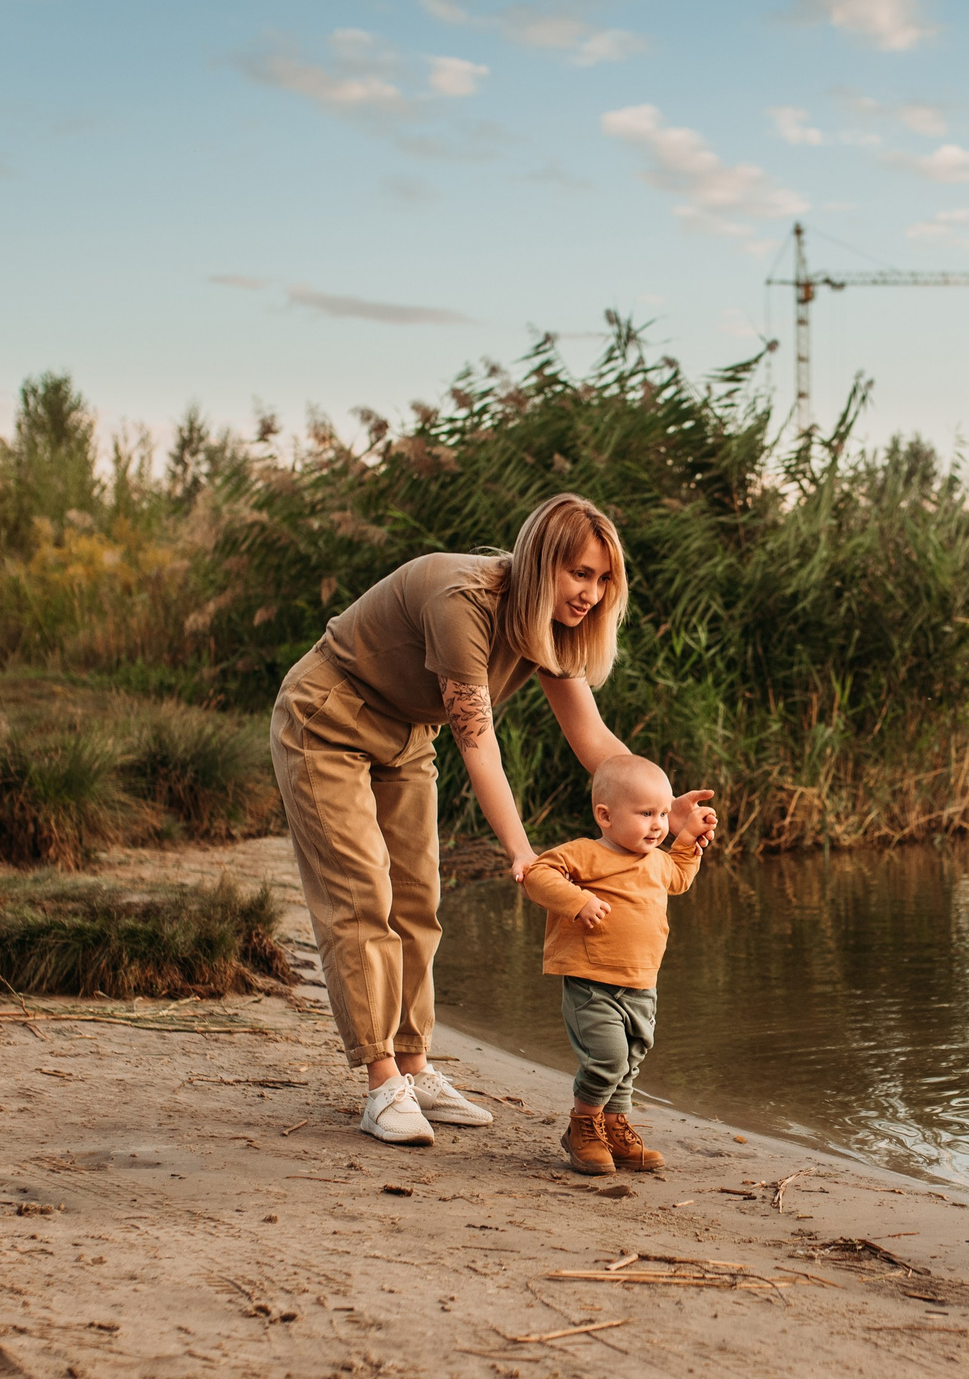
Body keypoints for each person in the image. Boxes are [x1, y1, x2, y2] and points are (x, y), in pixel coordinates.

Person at [268, 494, 714, 1145]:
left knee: (419, 899)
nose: (590, 592)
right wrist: (523, 852)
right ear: (540, 564)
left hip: (405, 731)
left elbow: (594, 741)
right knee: (362, 895)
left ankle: (415, 1064)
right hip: (328, 716)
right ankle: (381, 1080)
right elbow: (479, 747)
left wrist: (664, 806)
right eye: (578, 573)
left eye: (602, 578)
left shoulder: (553, 627)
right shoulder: (463, 603)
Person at [519, 755, 713, 1173]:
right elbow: (538, 875)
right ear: (605, 816)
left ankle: (613, 1124)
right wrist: (578, 901)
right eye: (646, 813)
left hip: (643, 982)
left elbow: (679, 876)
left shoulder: (658, 860)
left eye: (662, 813)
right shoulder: (586, 854)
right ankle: (582, 1127)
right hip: (592, 980)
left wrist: (689, 841)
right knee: (607, 1057)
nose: (659, 823)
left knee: (631, 1059)